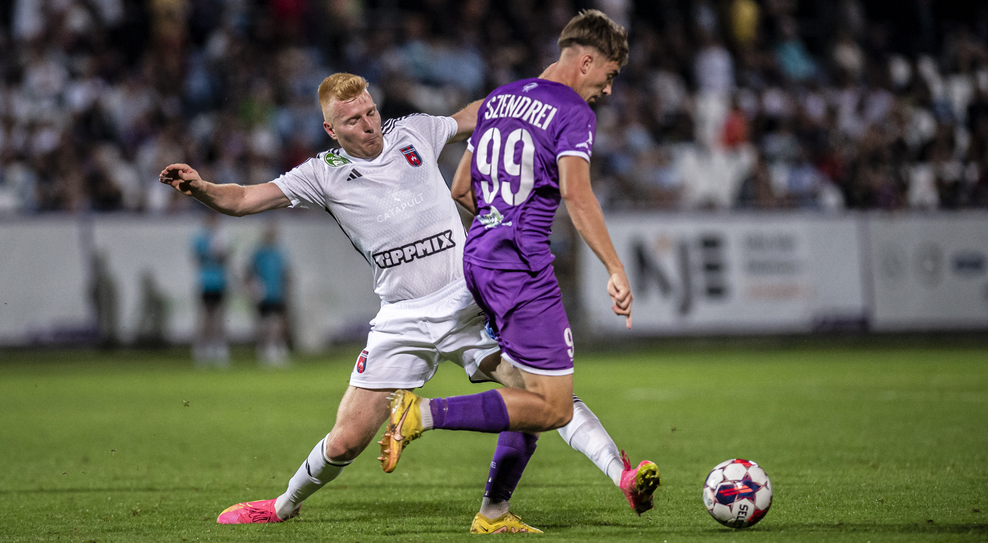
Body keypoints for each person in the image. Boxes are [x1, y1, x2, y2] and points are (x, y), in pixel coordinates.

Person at [159, 71, 652, 534]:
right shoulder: (322, 173)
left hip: (467, 302)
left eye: (371, 112)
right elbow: (243, 199)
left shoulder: (414, 131)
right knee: (347, 439)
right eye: (353, 120)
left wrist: (543, 87)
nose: (368, 124)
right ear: (331, 130)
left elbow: (476, 113)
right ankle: (281, 505)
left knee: (544, 399)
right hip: (401, 318)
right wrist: (202, 189)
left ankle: (620, 477)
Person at [379, 9, 659, 526]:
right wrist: (615, 268)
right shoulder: (572, 112)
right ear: (587, 61)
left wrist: (495, 221)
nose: (608, 89)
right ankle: (422, 413)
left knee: (530, 394)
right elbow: (577, 195)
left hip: (480, 257)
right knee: (554, 406)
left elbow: (461, 188)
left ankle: (494, 511)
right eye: (610, 75)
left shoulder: (500, 99)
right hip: (520, 268)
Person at [247, 223, 292, 367]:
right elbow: (249, 272)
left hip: (277, 292)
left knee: (277, 322)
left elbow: (286, 273)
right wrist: (253, 289)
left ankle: (276, 346)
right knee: (265, 323)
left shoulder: (279, 253)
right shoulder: (259, 253)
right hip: (263, 294)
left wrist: (287, 289)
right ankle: (265, 348)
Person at [190, 212, 230, 366]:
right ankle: (202, 347)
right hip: (206, 281)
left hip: (220, 281)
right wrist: (210, 252)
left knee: (220, 316)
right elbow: (196, 259)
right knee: (206, 317)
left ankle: (219, 347)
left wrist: (222, 253)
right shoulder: (200, 239)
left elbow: (226, 258)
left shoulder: (222, 238)